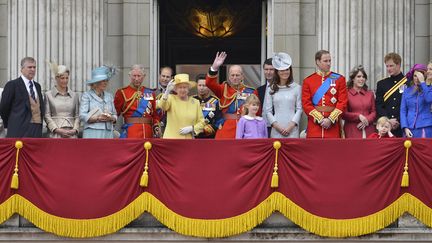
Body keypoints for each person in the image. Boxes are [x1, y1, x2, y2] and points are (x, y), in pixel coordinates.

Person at [206, 52, 259, 139]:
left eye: (237, 75)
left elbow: (258, 113)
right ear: (229, 77)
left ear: (242, 76)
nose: (235, 77)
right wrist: (214, 67)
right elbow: (209, 83)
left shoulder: (251, 92)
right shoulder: (223, 89)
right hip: (227, 129)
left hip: (246, 129)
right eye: (232, 75)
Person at [301, 50, 348, 138]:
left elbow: (342, 102)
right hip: (315, 128)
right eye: (325, 61)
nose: (329, 63)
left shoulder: (339, 79)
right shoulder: (308, 81)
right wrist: (320, 119)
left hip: (333, 127)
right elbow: (306, 104)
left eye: (330, 61)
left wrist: (330, 119)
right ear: (317, 62)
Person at [0, 57, 44, 138]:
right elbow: (4, 108)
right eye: (29, 67)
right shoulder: (12, 85)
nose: (33, 69)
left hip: (36, 129)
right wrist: (11, 124)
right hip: (18, 129)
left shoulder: (37, 86)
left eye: (34, 67)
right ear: (22, 69)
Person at [114, 65, 160, 138]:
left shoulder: (150, 93)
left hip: (148, 132)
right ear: (130, 76)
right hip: (131, 132)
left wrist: (156, 126)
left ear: (144, 76)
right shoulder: (122, 92)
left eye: (139, 76)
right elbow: (115, 113)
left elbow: (154, 114)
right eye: (134, 76)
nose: (136, 78)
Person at [263, 52, 302, 138]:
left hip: (292, 129)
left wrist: (291, 125)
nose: (285, 72)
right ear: (277, 72)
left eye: (287, 69)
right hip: (276, 129)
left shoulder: (297, 88)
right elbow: (268, 111)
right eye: (282, 70)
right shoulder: (271, 88)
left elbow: (299, 109)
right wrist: (276, 126)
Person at [157, 73, 205, 139]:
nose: (182, 90)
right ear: (176, 89)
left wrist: (192, 128)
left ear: (188, 89)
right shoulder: (171, 98)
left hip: (188, 140)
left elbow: (202, 122)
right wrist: (167, 92)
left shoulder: (195, 102)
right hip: (171, 140)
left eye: (185, 87)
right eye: (180, 87)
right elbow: (162, 106)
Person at [80, 65, 117, 138]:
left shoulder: (109, 96)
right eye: (103, 81)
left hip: (108, 132)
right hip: (92, 131)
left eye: (106, 80)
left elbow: (115, 114)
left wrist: (111, 118)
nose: (105, 83)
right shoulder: (87, 95)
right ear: (95, 83)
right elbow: (82, 115)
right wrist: (98, 118)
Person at [44, 62, 80, 138]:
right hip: (55, 134)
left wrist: (75, 129)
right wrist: (56, 129)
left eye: (67, 78)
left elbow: (77, 115)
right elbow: (47, 115)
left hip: (72, 134)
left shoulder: (75, 95)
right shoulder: (48, 95)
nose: (65, 80)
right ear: (56, 78)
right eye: (62, 78)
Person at [375, 52, 405, 137]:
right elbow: (379, 104)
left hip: (402, 125)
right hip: (385, 126)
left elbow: (408, 106)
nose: (388, 69)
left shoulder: (408, 82)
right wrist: (388, 120)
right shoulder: (381, 83)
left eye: (391, 66)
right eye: (387, 66)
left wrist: (398, 120)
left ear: (398, 65)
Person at [343, 65, 376, 138]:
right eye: (358, 76)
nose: (361, 79)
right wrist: (358, 116)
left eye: (363, 77)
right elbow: (343, 113)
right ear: (353, 79)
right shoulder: (346, 94)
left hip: (369, 129)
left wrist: (367, 120)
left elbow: (374, 112)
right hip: (352, 130)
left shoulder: (370, 94)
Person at [400, 64, 432, 138]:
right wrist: (405, 127)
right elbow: (403, 111)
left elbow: (429, 99)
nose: (417, 78)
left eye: (420, 76)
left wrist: (423, 83)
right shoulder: (407, 91)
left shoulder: (429, 89)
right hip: (409, 128)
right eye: (415, 76)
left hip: (425, 127)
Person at [193, 74, 222, 139]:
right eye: (199, 85)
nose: (201, 88)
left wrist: (206, 130)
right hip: (193, 136)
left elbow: (220, 121)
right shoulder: (191, 100)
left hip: (209, 137)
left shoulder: (216, 101)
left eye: (204, 85)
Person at [257, 58, 275, 136]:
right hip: (261, 127)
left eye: (271, 69)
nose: (268, 72)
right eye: (266, 69)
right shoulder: (259, 90)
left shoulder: (282, 89)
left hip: (277, 127)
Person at [155, 66, 174, 137]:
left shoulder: (176, 95)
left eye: (167, 77)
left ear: (171, 78)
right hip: (156, 129)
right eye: (163, 76)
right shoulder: (152, 93)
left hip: (171, 130)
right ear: (159, 76)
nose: (165, 79)